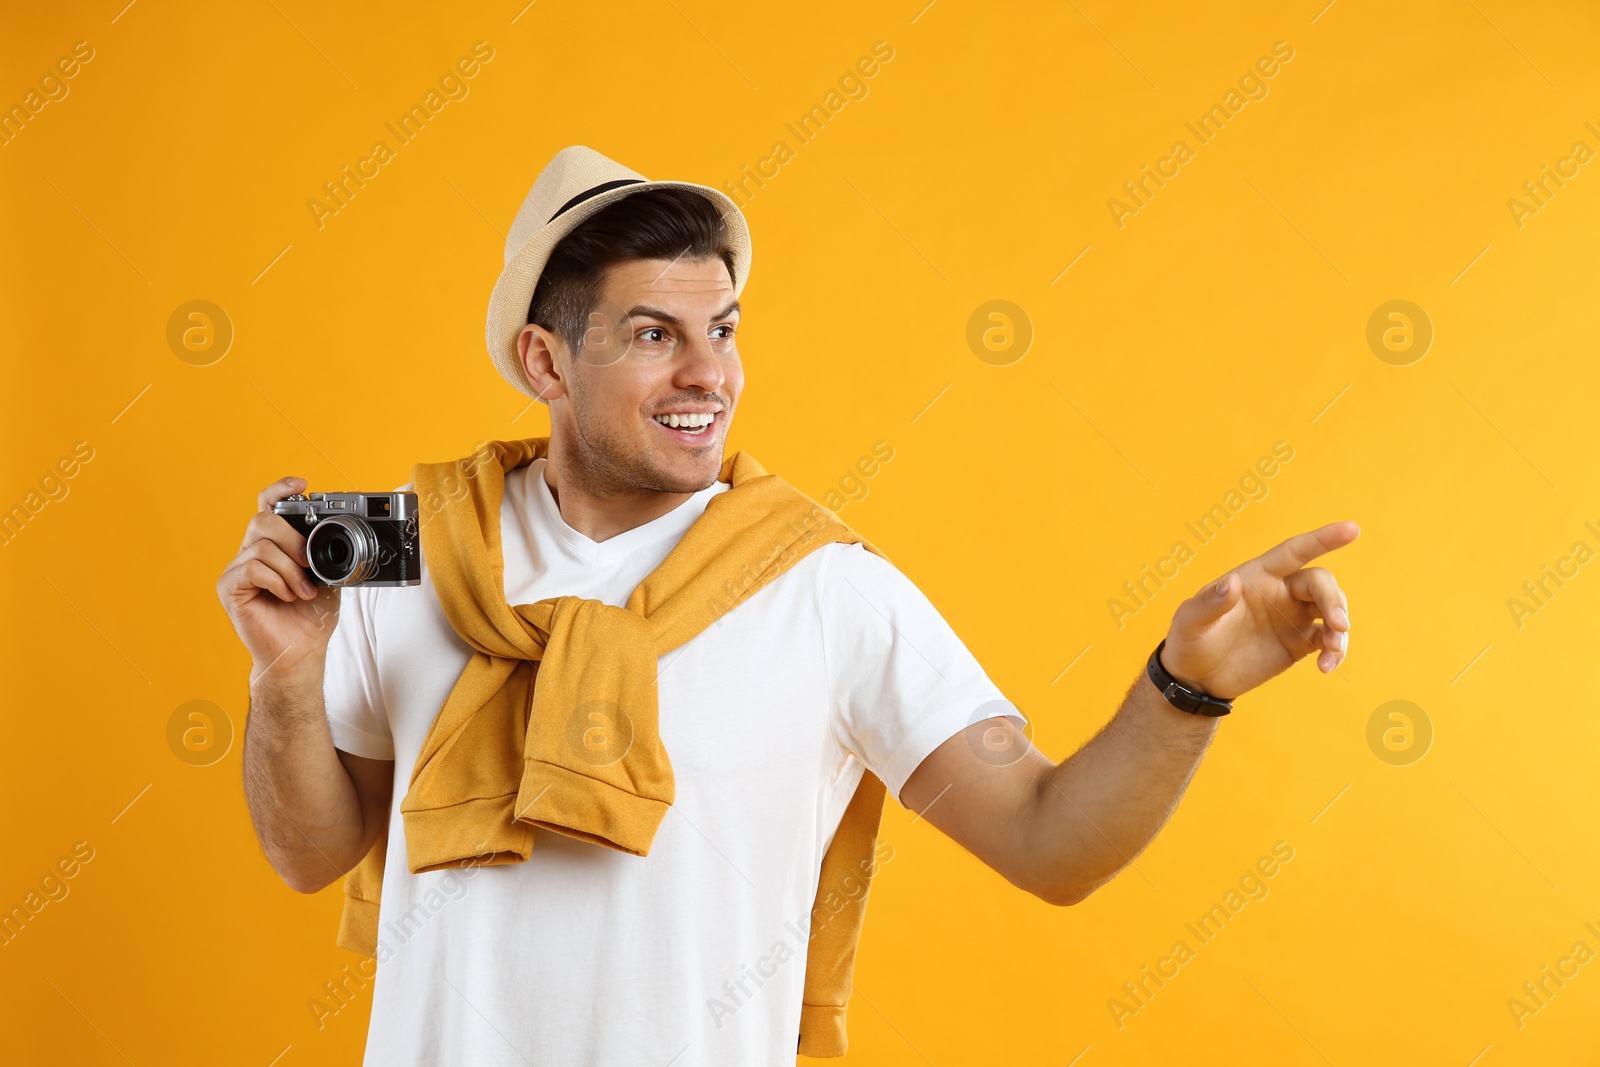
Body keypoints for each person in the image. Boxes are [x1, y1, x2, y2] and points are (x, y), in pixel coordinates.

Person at [216, 146, 1357, 1065]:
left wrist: (1184, 686)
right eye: (653, 334)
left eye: (722, 329)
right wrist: (285, 674)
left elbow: (1048, 839)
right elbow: (312, 852)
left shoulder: (823, 587)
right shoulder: (409, 552)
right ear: (546, 362)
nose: (707, 374)